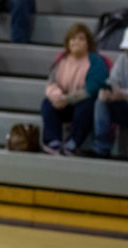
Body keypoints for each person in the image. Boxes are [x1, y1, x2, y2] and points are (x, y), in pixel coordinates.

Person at [40, 23, 108, 155]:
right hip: (64, 103)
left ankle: (73, 143)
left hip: (82, 104)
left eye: (81, 38)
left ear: (88, 43)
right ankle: (52, 141)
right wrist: (57, 96)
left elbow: (92, 89)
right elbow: (52, 83)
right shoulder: (62, 60)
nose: (76, 42)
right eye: (72, 38)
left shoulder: (96, 61)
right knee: (47, 103)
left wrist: (67, 99)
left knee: (88, 104)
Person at [90, 26, 128, 159]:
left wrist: (125, 94)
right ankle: (101, 148)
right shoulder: (122, 59)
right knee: (101, 101)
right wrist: (109, 91)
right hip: (124, 106)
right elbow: (113, 80)